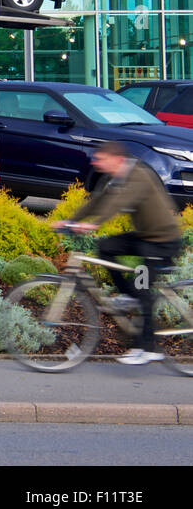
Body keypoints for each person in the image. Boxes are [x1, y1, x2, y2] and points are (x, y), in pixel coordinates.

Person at [53, 141, 185, 365]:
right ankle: (127, 295)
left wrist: (94, 224)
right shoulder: (113, 177)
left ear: (117, 159)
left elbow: (118, 203)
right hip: (145, 237)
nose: (96, 162)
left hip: (162, 242)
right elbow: (98, 202)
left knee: (142, 287)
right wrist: (72, 221)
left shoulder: (139, 175)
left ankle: (147, 348)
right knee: (106, 247)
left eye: (101, 159)